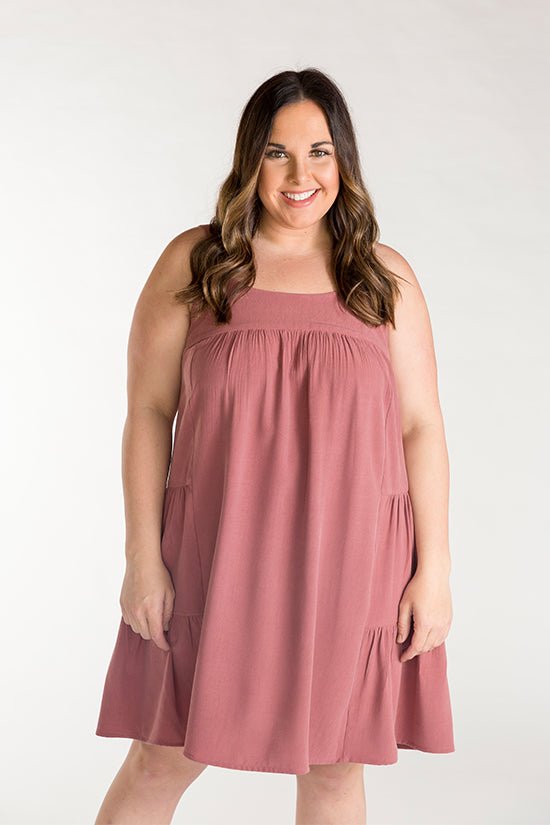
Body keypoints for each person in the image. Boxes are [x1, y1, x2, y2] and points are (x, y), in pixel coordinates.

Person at [94, 67, 455, 825]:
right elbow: (149, 412)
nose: (300, 176)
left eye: (319, 152)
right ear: (249, 159)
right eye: (277, 153)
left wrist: (436, 572)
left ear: (343, 159)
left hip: (354, 558)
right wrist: (141, 558)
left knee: (334, 768)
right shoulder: (198, 263)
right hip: (214, 550)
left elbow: (421, 426)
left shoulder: (383, 278)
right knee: (161, 757)